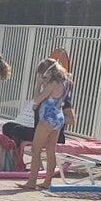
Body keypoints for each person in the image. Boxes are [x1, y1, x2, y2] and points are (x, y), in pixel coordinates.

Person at [25, 59, 74, 190]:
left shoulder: (52, 84)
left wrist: (38, 84)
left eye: (43, 75)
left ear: (48, 72)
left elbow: (37, 100)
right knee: (51, 150)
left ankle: (31, 182)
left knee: (36, 149)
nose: (43, 77)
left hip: (47, 118)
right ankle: (47, 182)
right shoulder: (64, 82)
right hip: (58, 117)